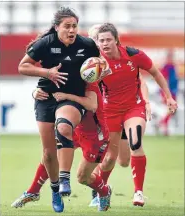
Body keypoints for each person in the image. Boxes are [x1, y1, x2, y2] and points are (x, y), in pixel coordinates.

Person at [12, 6, 111, 213]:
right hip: (46, 98)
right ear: (57, 27)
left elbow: (101, 65)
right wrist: (47, 73)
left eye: (75, 26)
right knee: (48, 154)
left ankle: (65, 180)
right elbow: (23, 66)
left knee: (64, 126)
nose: (72, 30)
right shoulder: (45, 44)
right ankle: (55, 190)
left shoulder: (87, 45)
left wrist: (102, 68)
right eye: (67, 26)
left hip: (71, 99)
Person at [89, 23, 177, 207]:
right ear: (97, 42)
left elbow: (155, 73)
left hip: (133, 108)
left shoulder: (133, 54)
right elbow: (89, 87)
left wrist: (168, 97)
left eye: (108, 40)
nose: (105, 44)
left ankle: (138, 193)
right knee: (111, 160)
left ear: (116, 40)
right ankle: (100, 191)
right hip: (110, 112)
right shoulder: (96, 62)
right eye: (101, 40)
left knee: (135, 142)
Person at [159, 49, 179, 136]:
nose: (171, 58)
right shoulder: (166, 67)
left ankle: (163, 124)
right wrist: (165, 94)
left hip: (173, 92)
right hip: (168, 93)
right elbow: (162, 80)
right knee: (170, 110)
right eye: (170, 56)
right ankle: (163, 124)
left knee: (171, 110)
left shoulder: (173, 66)